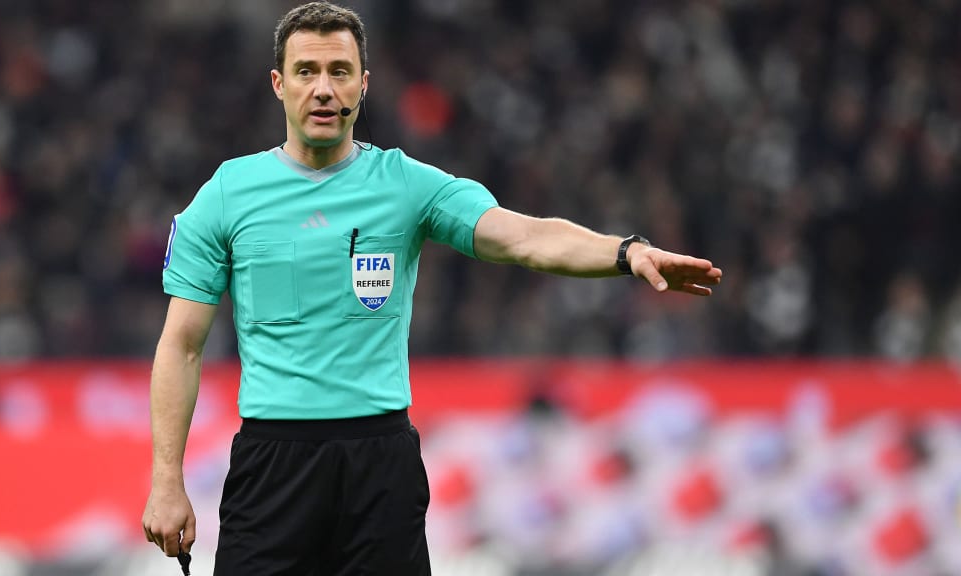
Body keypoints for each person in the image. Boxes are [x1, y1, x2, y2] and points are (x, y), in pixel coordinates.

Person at [141, 2, 722, 574]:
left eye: (339, 71)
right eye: (306, 71)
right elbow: (181, 346)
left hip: (379, 464)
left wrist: (626, 252)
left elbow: (524, 237)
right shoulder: (228, 195)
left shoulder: (407, 185)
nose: (323, 89)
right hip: (273, 465)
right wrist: (166, 481)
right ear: (278, 83)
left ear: (363, 84)